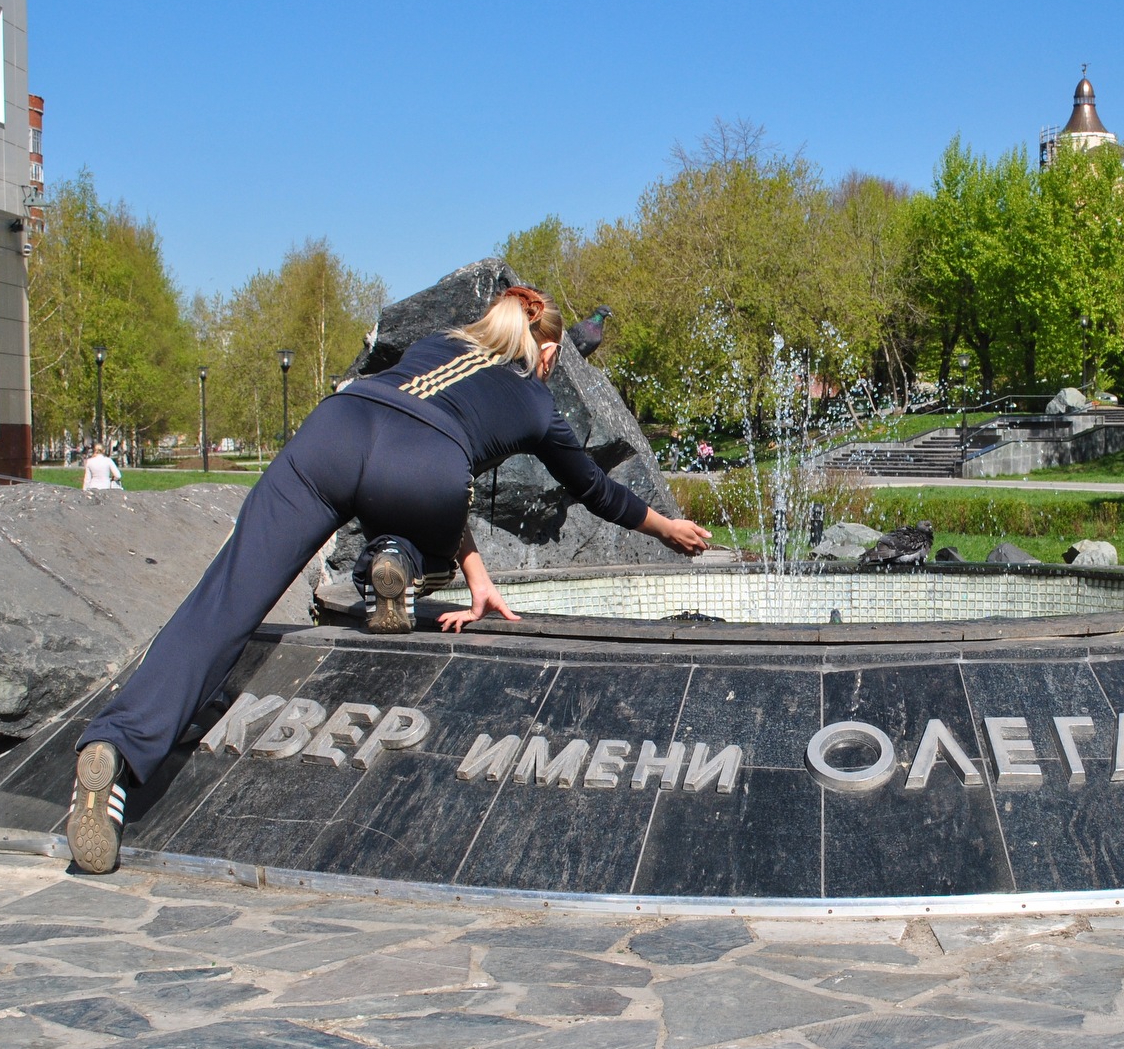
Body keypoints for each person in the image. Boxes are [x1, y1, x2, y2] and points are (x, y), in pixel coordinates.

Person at [64, 285, 711, 874]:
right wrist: (664, 528)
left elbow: (405, 419)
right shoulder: (539, 405)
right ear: (546, 355)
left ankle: (116, 752)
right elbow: (595, 490)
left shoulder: (437, 344)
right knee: (421, 505)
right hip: (426, 471)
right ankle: (398, 557)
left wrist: (478, 574)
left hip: (333, 430)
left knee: (228, 596)